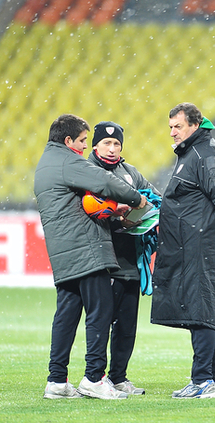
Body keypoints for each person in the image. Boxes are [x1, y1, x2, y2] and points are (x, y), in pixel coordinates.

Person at [35, 114, 147, 400]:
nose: (85, 146)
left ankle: (57, 381)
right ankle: (94, 378)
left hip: (64, 251)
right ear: (68, 140)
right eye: (83, 141)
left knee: (67, 314)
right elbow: (105, 181)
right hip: (86, 248)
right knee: (101, 311)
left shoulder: (46, 162)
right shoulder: (68, 161)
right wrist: (136, 199)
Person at [151, 103, 215, 399]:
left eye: (178, 126)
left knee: (200, 310)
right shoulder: (194, 153)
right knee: (205, 310)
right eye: (171, 127)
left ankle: (202, 381)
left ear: (195, 125)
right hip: (191, 243)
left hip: (198, 244)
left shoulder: (203, 154)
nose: (173, 132)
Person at [87, 121, 161, 395]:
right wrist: (118, 220)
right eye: (106, 143)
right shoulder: (86, 171)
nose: (112, 148)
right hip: (102, 259)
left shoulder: (130, 172)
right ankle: (96, 378)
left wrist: (141, 214)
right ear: (95, 145)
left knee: (127, 325)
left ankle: (118, 377)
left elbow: (155, 199)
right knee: (101, 323)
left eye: (116, 143)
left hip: (130, 260)